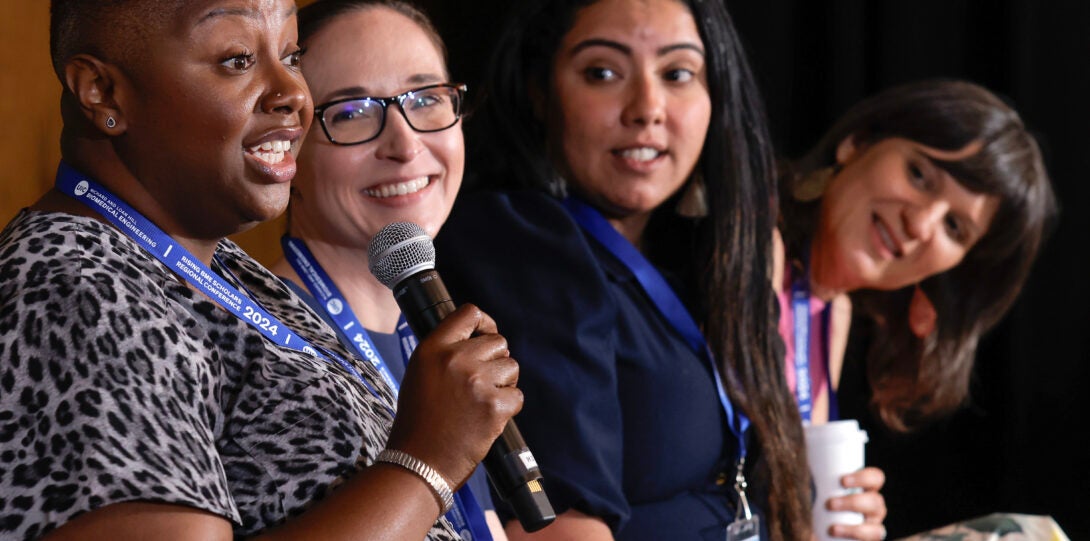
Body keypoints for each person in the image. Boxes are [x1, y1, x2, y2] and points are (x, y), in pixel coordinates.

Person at [0, 1, 520, 539]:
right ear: (102, 92)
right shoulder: (73, 288)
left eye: (291, 56)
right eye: (237, 59)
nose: (294, 93)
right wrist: (425, 464)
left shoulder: (217, 269)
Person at [435, 0, 812, 539]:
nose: (647, 108)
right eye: (603, 73)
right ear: (540, 93)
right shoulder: (518, 241)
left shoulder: (706, 251)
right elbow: (554, 526)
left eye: (678, 73)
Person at [774, 80, 1055, 537]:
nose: (920, 224)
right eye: (919, 175)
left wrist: (835, 512)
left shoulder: (833, 315)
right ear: (857, 142)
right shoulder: (751, 242)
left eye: (954, 226)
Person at [268, 1, 506, 539]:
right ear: (286, 146)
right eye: (352, 113)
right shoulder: (258, 337)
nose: (404, 144)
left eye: (426, 100)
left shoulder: (434, 331)